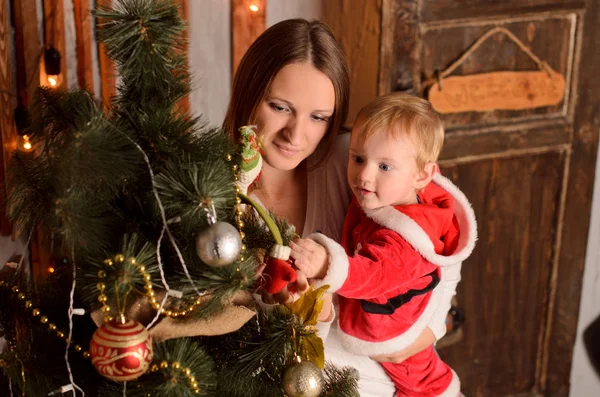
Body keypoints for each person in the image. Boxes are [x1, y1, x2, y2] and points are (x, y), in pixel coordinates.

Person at [223, 18, 460, 396]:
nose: (296, 135)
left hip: (391, 382)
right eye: (280, 107)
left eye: (318, 117)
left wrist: (426, 332)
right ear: (249, 93)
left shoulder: (355, 163)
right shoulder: (213, 192)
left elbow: (438, 243)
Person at [289, 93, 477, 396]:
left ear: (422, 175)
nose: (364, 175)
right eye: (358, 158)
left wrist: (327, 263)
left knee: (422, 383)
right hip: (391, 315)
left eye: (384, 167)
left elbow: (373, 274)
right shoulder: (398, 189)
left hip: (397, 330)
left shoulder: (406, 240)